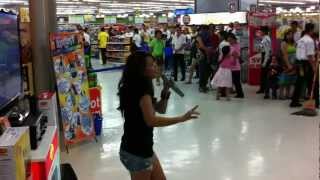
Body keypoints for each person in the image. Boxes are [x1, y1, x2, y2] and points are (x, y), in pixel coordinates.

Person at [118, 52, 200, 180]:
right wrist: (181, 118)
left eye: (155, 63)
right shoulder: (141, 90)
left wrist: (166, 90)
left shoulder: (141, 85)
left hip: (141, 148)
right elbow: (151, 120)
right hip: (137, 153)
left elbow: (161, 109)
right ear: (141, 70)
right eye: (151, 65)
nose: (156, 67)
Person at [290, 23, 316, 107]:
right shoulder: (310, 40)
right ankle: (315, 102)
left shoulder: (300, 40)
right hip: (306, 64)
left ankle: (294, 101)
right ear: (311, 30)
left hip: (299, 63)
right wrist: (314, 67)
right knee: (312, 82)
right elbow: (309, 56)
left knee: (299, 82)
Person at [278, 30, 297, 99]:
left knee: (290, 79)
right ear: (285, 36)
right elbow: (284, 55)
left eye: (291, 34)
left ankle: (288, 94)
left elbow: (296, 52)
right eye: (288, 35)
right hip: (286, 63)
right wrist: (288, 64)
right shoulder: (283, 43)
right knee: (283, 79)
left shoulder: (294, 43)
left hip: (293, 63)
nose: (290, 36)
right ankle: (281, 94)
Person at [196, 25, 213, 93]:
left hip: (207, 55)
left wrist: (208, 51)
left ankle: (203, 86)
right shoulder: (200, 35)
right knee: (203, 71)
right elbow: (201, 45)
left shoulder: (207, 35)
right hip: (203, 55)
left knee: (206, 71)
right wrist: (207, 50)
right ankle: (201, 86)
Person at [228, 33, 244, 98]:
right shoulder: (230, 46)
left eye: (231, 40)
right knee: (234, 81)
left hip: (235, 66)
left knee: (237, 81)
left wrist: (233, 56)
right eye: (228, 40)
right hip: (231, 66)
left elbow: (237, 55)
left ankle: (240, 94)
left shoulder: (236, 46)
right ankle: (237, 93)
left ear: (234, 40)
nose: (230, 42)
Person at [257, 26, 272, 94]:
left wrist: (265, 62)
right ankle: (263, 88)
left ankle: (265, 89)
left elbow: (267, 51)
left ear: (264, 32)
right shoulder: (264, 39)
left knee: (265, 75)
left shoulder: (266, 39)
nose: (259, 32)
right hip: (264, 56)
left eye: (260, 31)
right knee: (263, 74)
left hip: (266, 57)